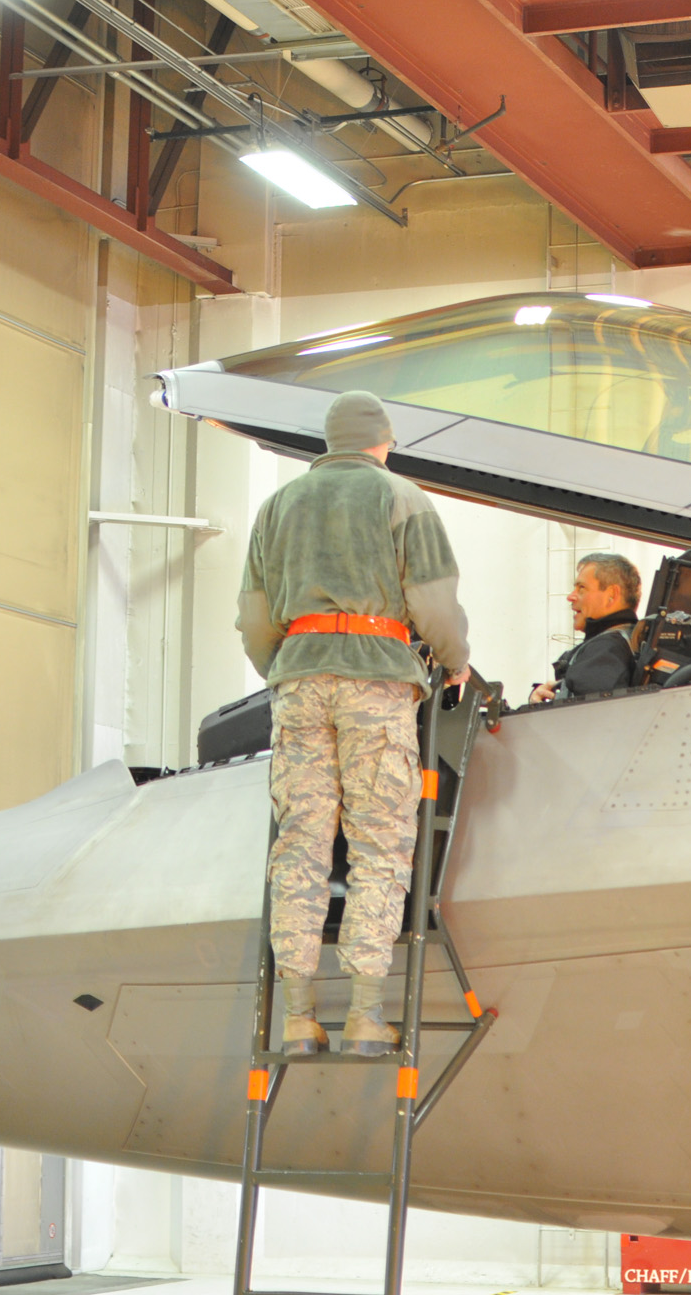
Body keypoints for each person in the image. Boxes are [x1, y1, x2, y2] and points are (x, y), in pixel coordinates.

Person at [237, 390, 470, 1058]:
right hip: (376, 682)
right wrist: (454, 664)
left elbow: (255, 618)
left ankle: (297, 1018)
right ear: (383, 441)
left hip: (299, 684)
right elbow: (435, 605)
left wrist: (284, 667)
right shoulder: (404, 499)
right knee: (378, 846)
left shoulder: (276, 507)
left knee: (301, 847)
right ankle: (366, 1018)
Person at [529, 553, 641, 704]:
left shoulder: (605, 650)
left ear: (612, 595)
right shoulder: (628, 641)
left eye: (581, 588)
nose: (571, 596)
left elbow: (583, 722)